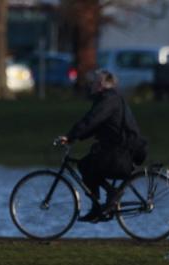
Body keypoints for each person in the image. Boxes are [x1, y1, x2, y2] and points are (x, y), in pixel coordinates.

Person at [57, 69, 144, 222]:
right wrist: (73, 138)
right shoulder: (109, 99)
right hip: (118, 149)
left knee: (87, 165)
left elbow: (91, 120)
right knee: (85, 165)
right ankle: (98, 206)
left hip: (122, 151)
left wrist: (70, 136)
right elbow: (94, 125)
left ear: (101, 84)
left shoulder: (109, 100)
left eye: (94, 82)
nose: (90, 84)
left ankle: (111, 196)